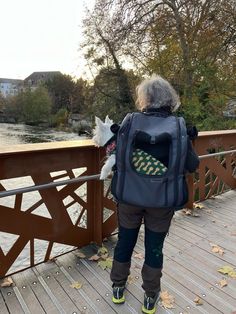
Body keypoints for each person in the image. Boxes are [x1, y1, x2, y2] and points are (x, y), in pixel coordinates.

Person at [110, 74, 199, 314]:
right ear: (169, 99)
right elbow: (192, 165)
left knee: (125, 241)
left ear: (145, 98)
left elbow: (117, 157)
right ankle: (150, 296)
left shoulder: (130, 121)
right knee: (154, 247)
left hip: (129, 196)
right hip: (162, 200)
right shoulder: (179, 126)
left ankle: (118, 286)